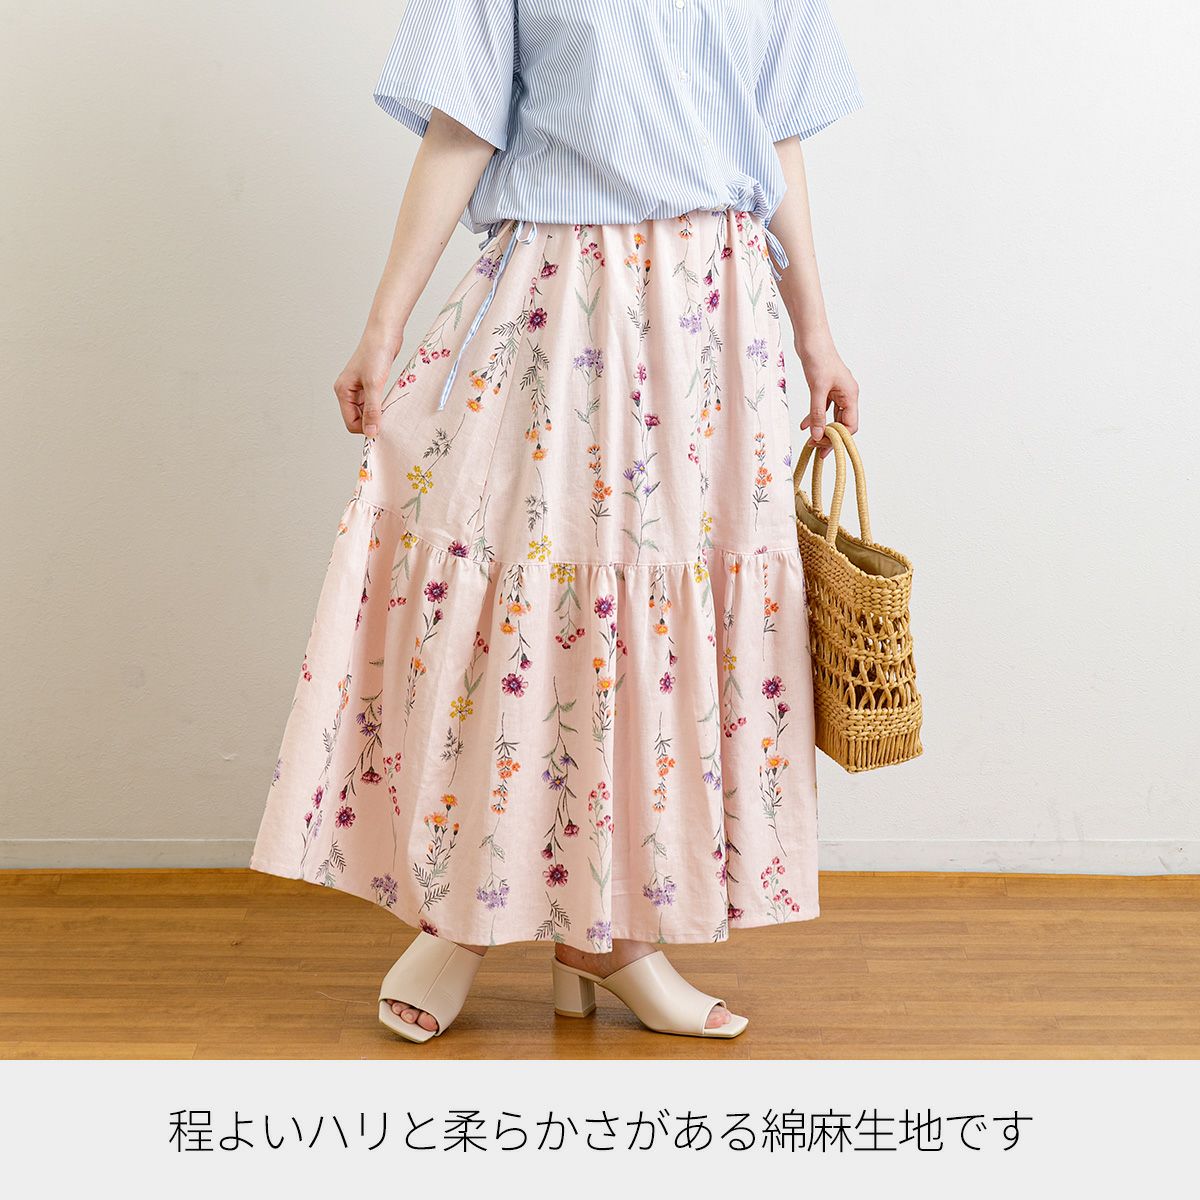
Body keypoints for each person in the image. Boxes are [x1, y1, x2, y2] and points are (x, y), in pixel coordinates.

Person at [249, 0, 863, 1043]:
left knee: (662, 628)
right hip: (559, 296)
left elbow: (777, 142)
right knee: (527, 606)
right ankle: (462, 916)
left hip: (716, 312)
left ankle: (611, 938)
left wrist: (817, 336)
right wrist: (383, 326)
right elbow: (461, 129)